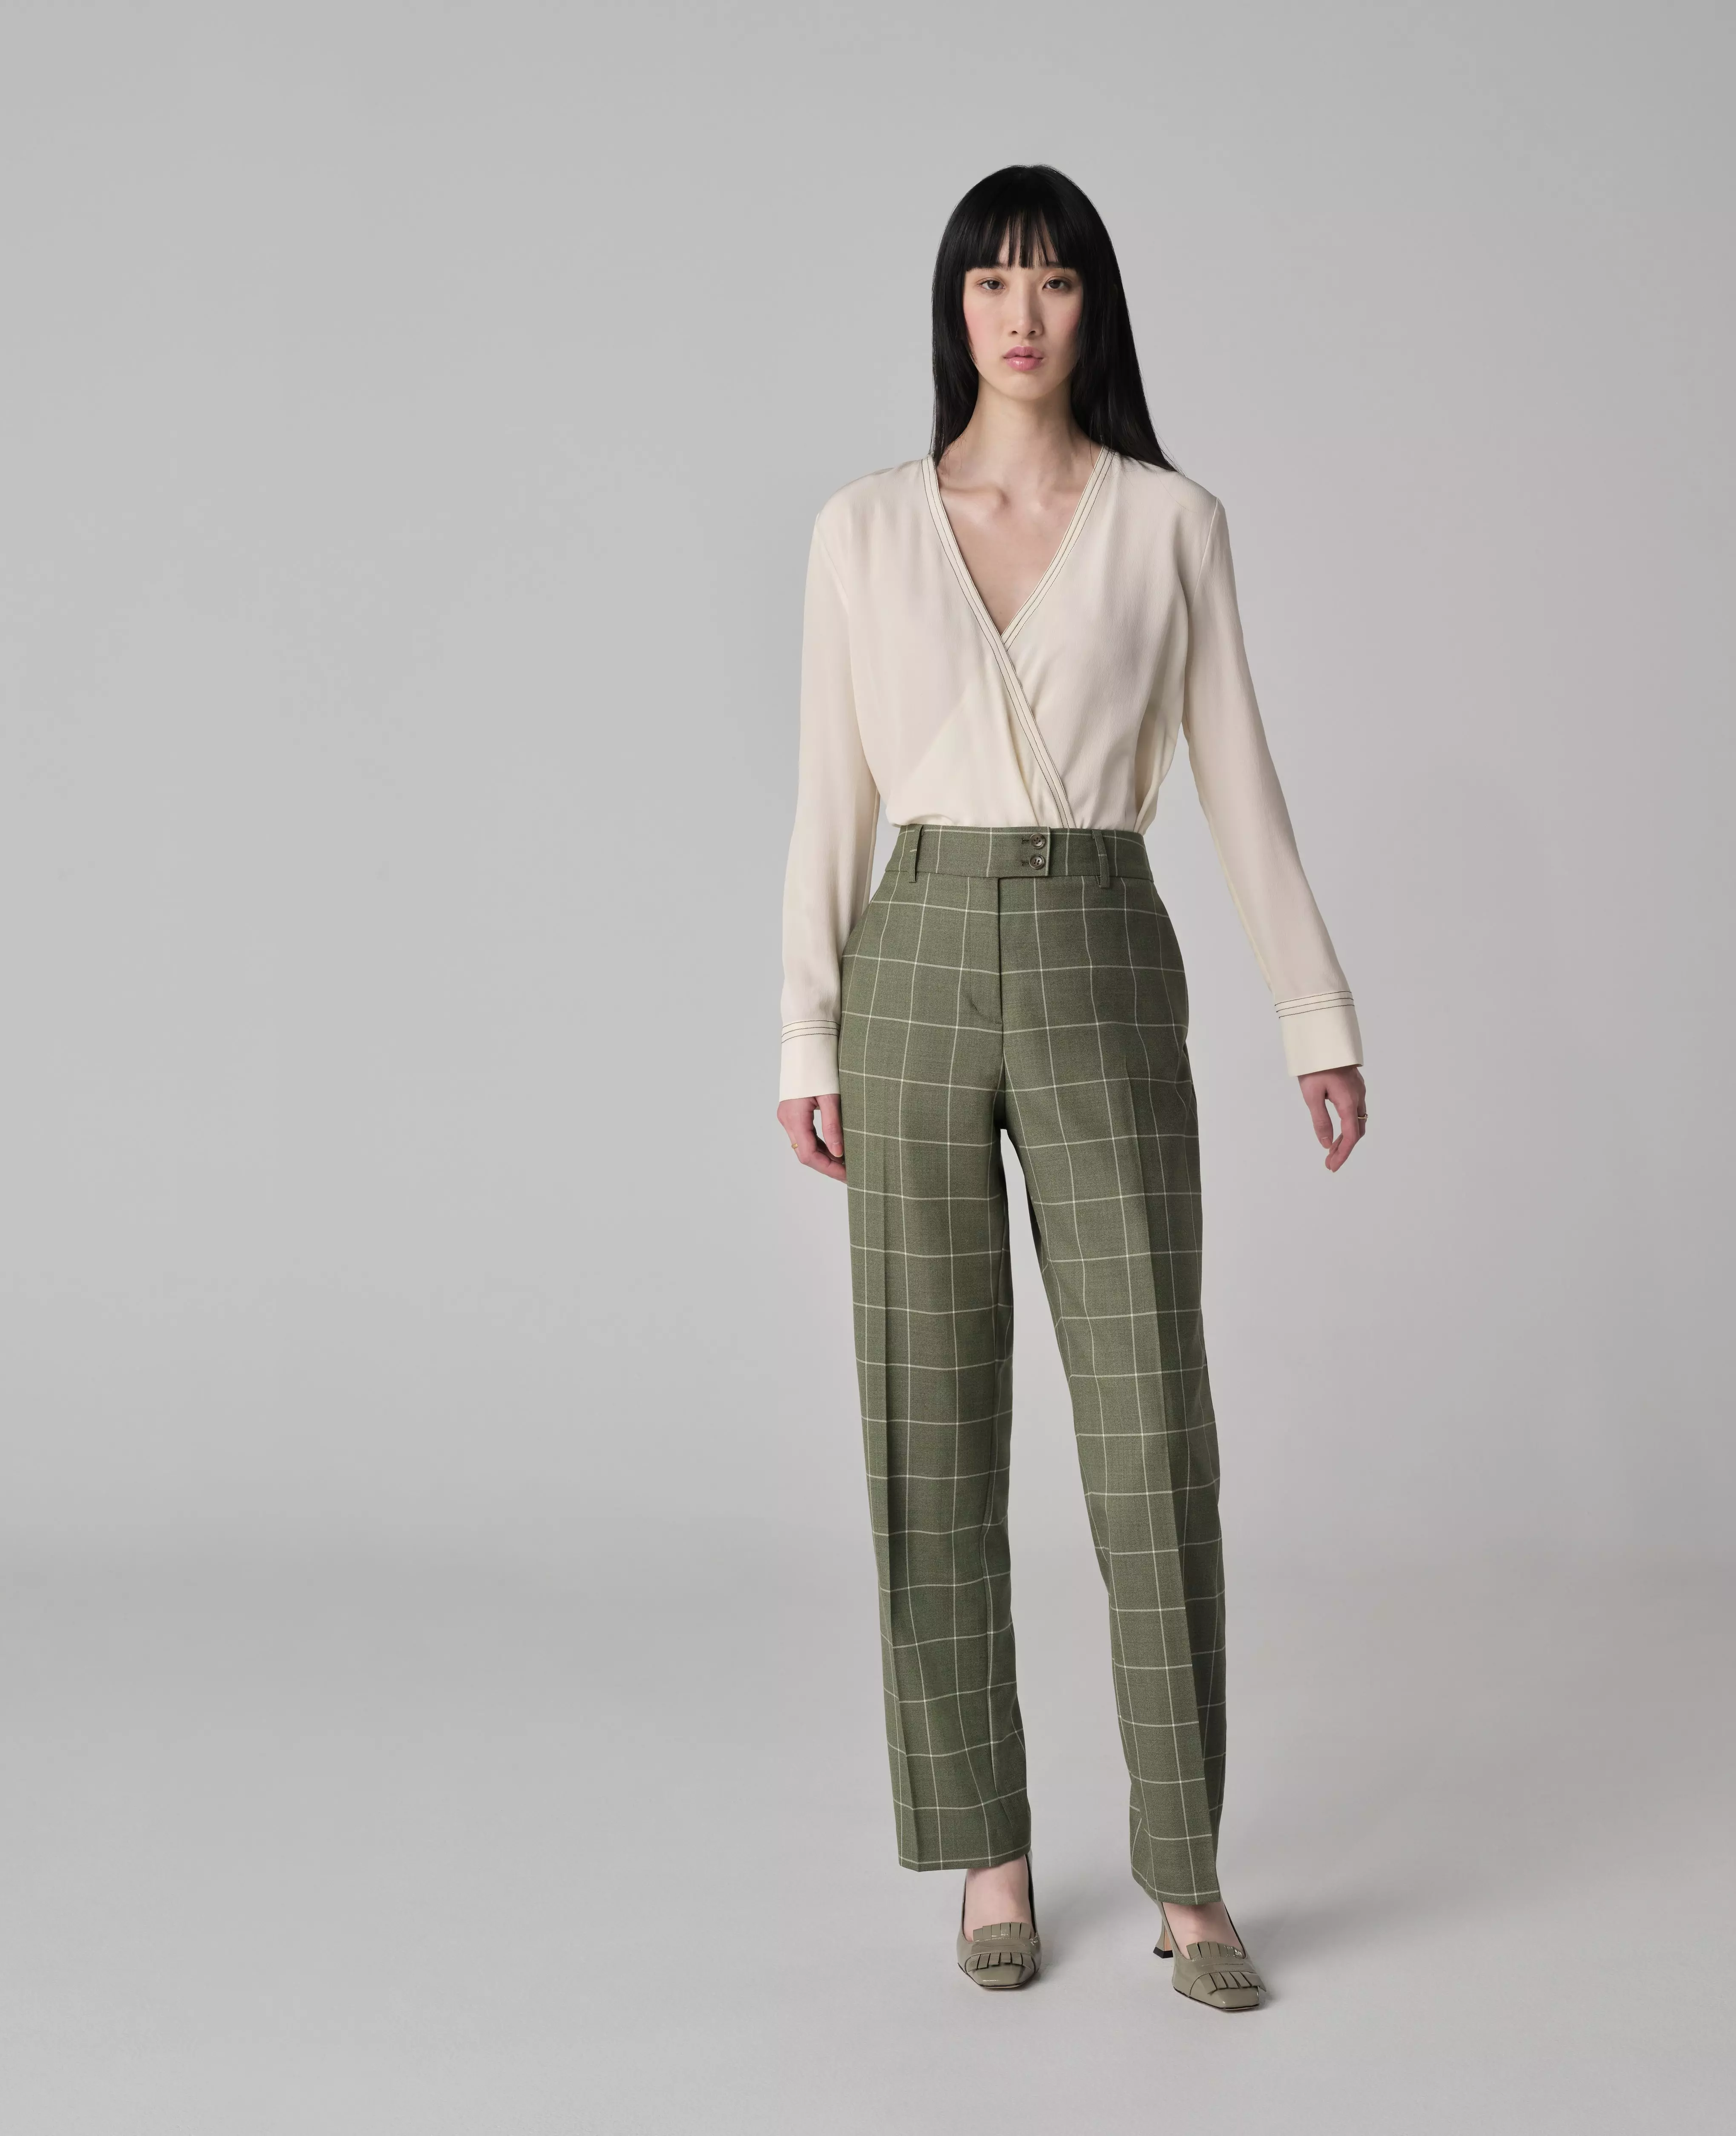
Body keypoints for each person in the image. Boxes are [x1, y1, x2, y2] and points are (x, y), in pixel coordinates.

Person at [774, 163, 1367, 2012]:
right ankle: (988, 1852)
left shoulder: (1170, 522)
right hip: (916, 957)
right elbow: (828, 793)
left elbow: (1238, 775)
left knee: (1147, 1417)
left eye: (1053, 281)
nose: (1019, 315)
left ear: (1094, 306)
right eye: (989, 282)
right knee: (929, 1416)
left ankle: (1186, 1869)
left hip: (1105, 945)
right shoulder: (862, 529)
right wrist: (804, 1029)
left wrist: (1314, 1013)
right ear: (951, 309)